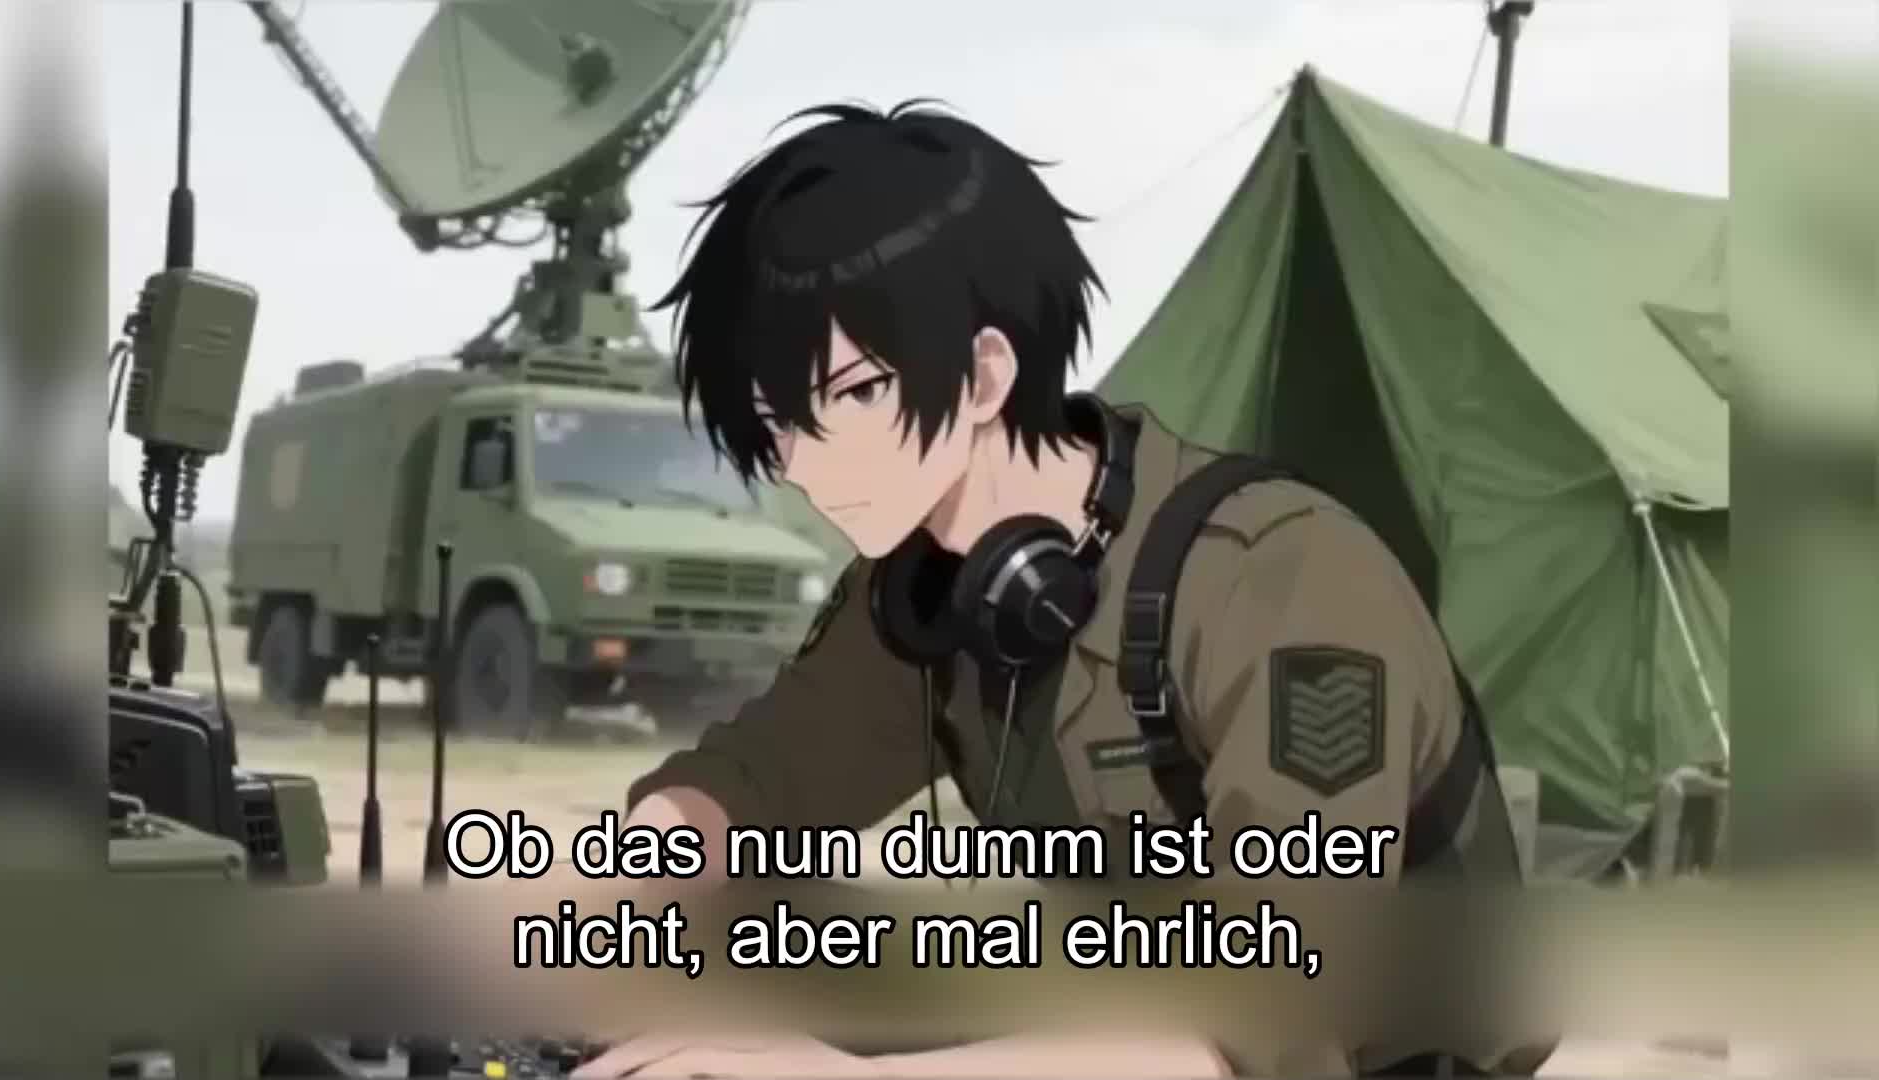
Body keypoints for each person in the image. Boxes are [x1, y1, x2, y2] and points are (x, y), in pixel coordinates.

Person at [575, 100, 1539, 1078]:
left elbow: (1259, 1020)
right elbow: (763, 778)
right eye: (779, 420)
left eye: (851, 394)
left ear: (984, 374)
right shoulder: (923, 588)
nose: (802, 463)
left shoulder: (1287, 575)